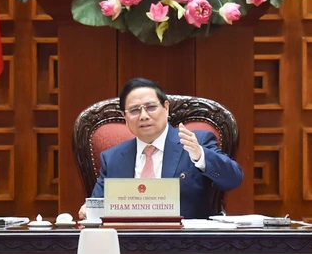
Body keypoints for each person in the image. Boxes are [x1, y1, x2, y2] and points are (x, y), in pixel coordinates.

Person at [79, 78, 243, 220]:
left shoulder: (196, 142)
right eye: (135, 110)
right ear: (124, 116)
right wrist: (89, 211)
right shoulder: (113, 158)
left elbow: (233, 179)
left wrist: (200, 156)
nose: (143, 116)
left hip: (186, 246)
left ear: (166, 108)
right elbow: (97, 206)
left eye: (151, 107)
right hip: (127, 246)